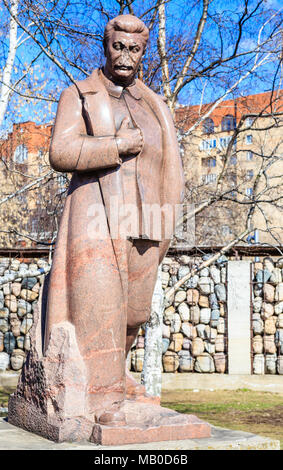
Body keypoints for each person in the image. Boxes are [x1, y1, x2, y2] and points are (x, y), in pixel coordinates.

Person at [44, 14, 184, 426]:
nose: (125, 55)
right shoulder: (80, 94)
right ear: (106, 47)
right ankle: (98, 393)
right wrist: (116, 144)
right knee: (100, 307)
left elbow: (169, 163)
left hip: (148, 218)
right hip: (98, 217)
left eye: (134, 49)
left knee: (135, 312)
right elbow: (61, 151)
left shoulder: (155, 103)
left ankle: (115, 377)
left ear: (144, 53)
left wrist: (170, 214)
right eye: (117, 46)